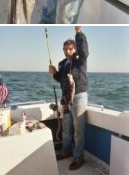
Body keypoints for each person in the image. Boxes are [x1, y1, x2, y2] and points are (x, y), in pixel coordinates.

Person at [49, 26, 88, 170]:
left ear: (75, 49)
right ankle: (66, 150)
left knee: (78, 129)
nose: (67, 51)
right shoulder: (62, 63)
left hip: (79, 97)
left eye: (70, 49)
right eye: (65, 49)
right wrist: (54, 73)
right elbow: (61, 79)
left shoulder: (80, 60)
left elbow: (84, 51)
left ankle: (78, 157)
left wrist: (79, 33)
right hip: (65, 98)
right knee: (66, 128)